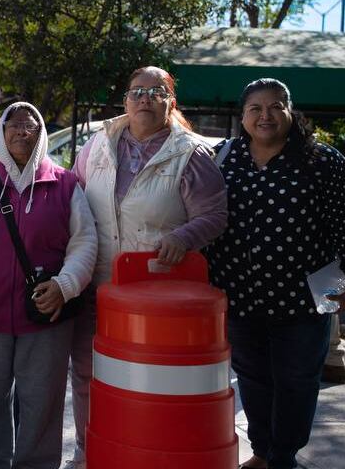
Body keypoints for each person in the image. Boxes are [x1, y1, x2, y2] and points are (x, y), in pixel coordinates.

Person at [204, 78, 345, 469]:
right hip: (239, 293)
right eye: (255, 108)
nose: (266, 115)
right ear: (243, 116)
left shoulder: (322, 160)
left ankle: (283, 457)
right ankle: (263, 451)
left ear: (289, 111)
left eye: (275, 106)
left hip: (305, 298)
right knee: (253, 378)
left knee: (296, 382)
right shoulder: (223, 158)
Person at [67, 66, 228, 469]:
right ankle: (89, 451)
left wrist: (184, 237)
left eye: (156, 91)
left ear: (170, 102)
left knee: (147, 382)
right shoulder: (98, 144)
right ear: (125, 101)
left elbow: (215, 214)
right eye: (136, 91)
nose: (144, 98)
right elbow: (72, 199)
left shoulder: (190, 152)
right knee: (87, 373)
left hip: (153, 294)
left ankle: (139, 451)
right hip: (97, 281)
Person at [0, 102, 97, 469]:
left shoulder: (65, 183)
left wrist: (65, 285)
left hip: (46, 317)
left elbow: (85, 242)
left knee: (42, 400)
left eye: (30, 126)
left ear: (41, 132)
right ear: (2, 133)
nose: (21, 132)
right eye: (14, 126)